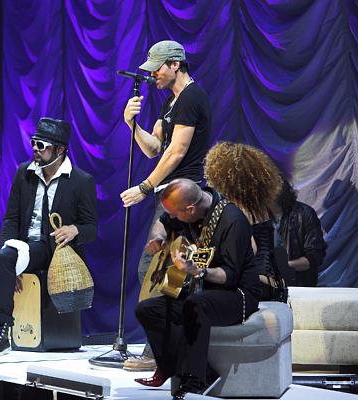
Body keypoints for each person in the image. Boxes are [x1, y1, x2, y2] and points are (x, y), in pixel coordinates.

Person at [120, 40, 211, 371]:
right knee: (162, 270)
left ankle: (160, 351)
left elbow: (176, 152)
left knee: (161, 270)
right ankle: (162, 350)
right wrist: (133, 125)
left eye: (157, 68)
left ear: (175, 65)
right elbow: (154, 148)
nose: (152, 75)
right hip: (170, 195)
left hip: (185, 195)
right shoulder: (171, 102)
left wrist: (144, 188)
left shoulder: (191, 98)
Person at [0, 117, 97, 357]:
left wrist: (75, 230)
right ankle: (6, 326)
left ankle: (0, 333)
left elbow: (91, 228)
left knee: (6, 261)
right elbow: (11, 219)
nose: (35, 148)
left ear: (60, 150)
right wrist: (11, 261)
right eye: (34, 143)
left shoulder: (81, 181)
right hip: (25, 247)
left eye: (41, 145)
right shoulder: (25, 173)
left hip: (53, 251)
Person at [134, 179, 260, 400]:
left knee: (195, 304)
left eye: (175, 214)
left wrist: (197, 271)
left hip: (238, 294)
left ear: (190, 209)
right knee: (147, 309)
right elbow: (163, 222)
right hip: (205, 291)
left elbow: (229, 275)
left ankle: (196, 379)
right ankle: (172, 366)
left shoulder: (232, 220)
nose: (172, 218)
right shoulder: (189, 210)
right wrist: (158, 237)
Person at [204, 141, 288, 301]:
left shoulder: (238, 208)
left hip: (258, 283)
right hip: (272, 280)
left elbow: (250, 250)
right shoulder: (258, 205)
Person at [271, 176, 326, 287]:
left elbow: (315, 256)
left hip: (298, 284)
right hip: (266, 285)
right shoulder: (257, 215)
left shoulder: (304, 213)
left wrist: (284, 267)